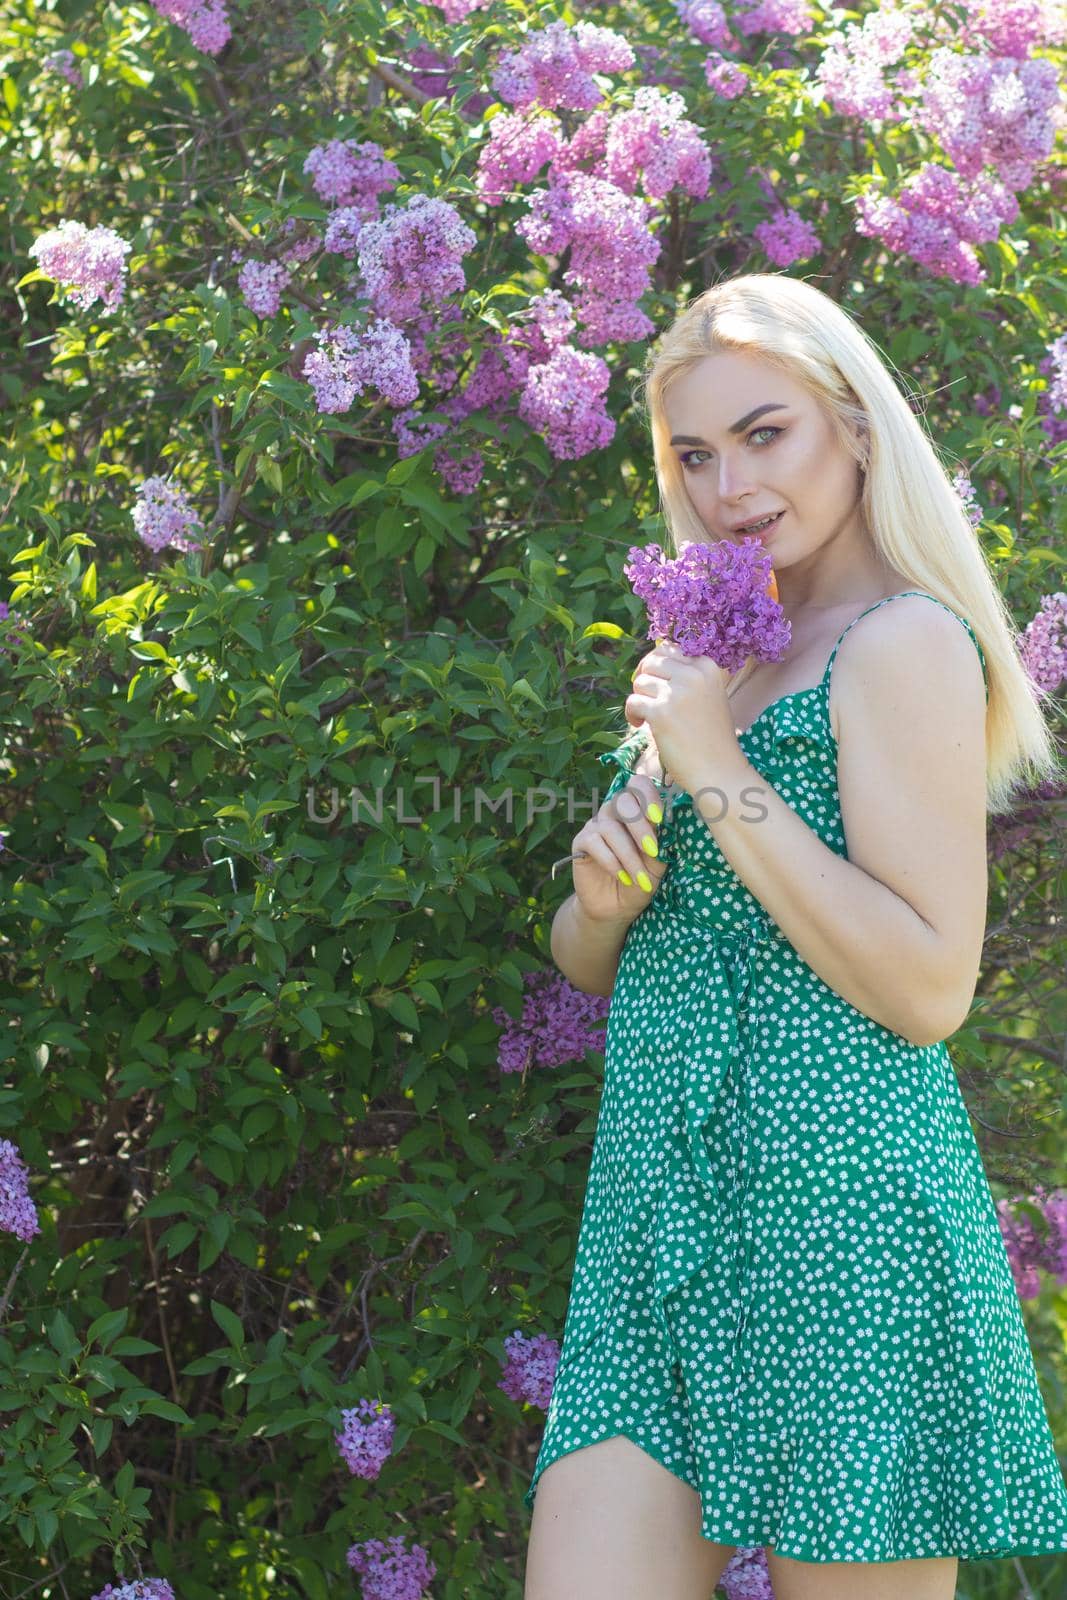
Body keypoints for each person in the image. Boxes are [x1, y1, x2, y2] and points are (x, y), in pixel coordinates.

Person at [522, 273, 1067, 1600]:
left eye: (765, 434)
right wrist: (595, 910)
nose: (728, 486)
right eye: (695, 454)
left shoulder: (902, 642)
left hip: (839, 1216)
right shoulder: (728, 648)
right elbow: (605, 959)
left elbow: (930, 986)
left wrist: (710, 762)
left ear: (856, 428)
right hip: (662, 1214)